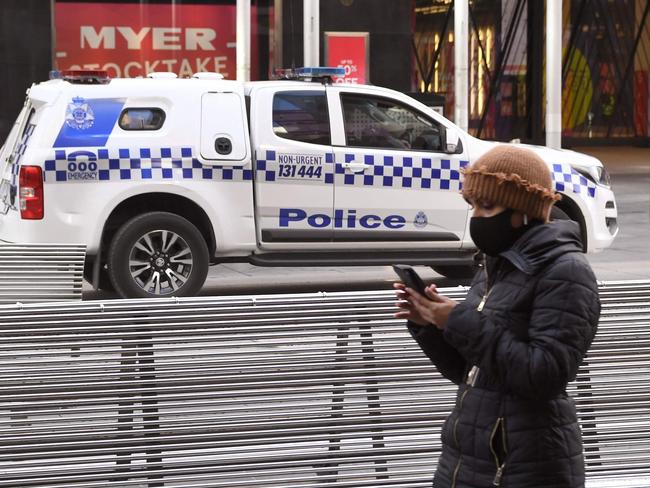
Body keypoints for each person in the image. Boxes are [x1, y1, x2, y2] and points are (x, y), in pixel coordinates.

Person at [394, 145, 601, 488]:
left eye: (487, 206)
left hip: (525, 463)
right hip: (467, 456)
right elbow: (469, 370)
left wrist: (458, 321)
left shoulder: (567, 271)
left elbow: (544, 375)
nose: (476, 216)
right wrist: (430, 324)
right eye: (473, 205)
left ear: (523, 211)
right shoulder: (497, 264)